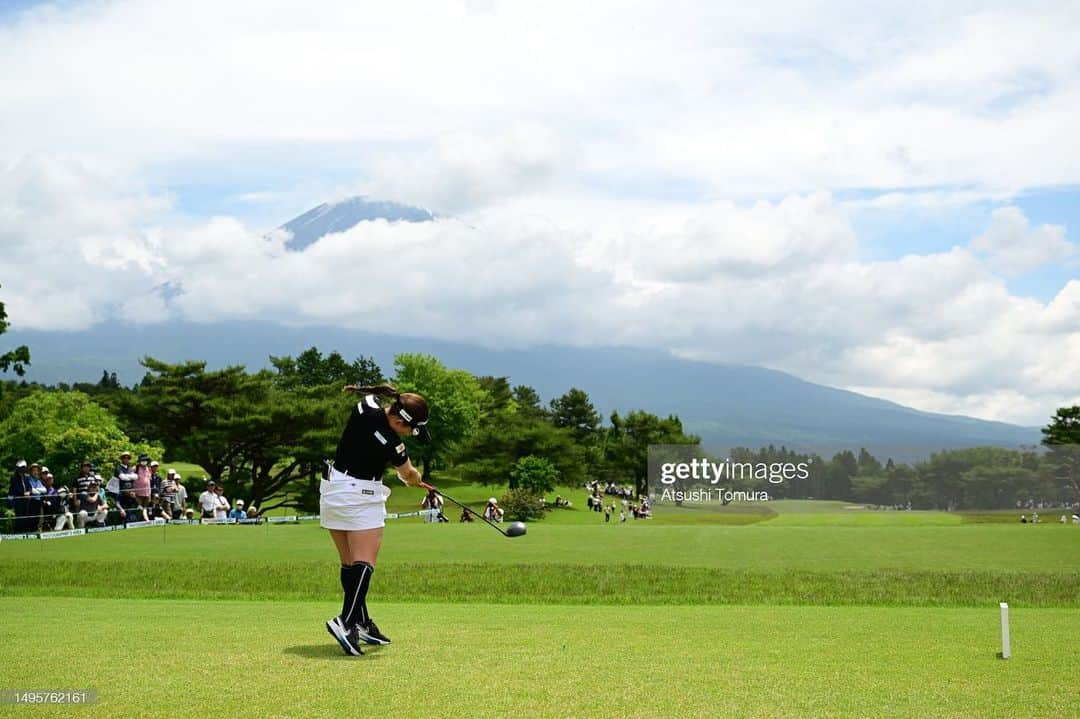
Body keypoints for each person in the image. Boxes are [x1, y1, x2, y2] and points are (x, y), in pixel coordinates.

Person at [322, 383, 429, 656]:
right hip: (361, 494)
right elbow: (408, 474)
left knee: (350, 564)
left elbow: (374, 398)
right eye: (409, 429)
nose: (409, 434)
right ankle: (345, 622)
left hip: (332, 488)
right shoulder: (394, 443)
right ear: (397, 420)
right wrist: (416, 480)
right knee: (365, 562)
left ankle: (361, 621)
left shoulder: (366, 405)